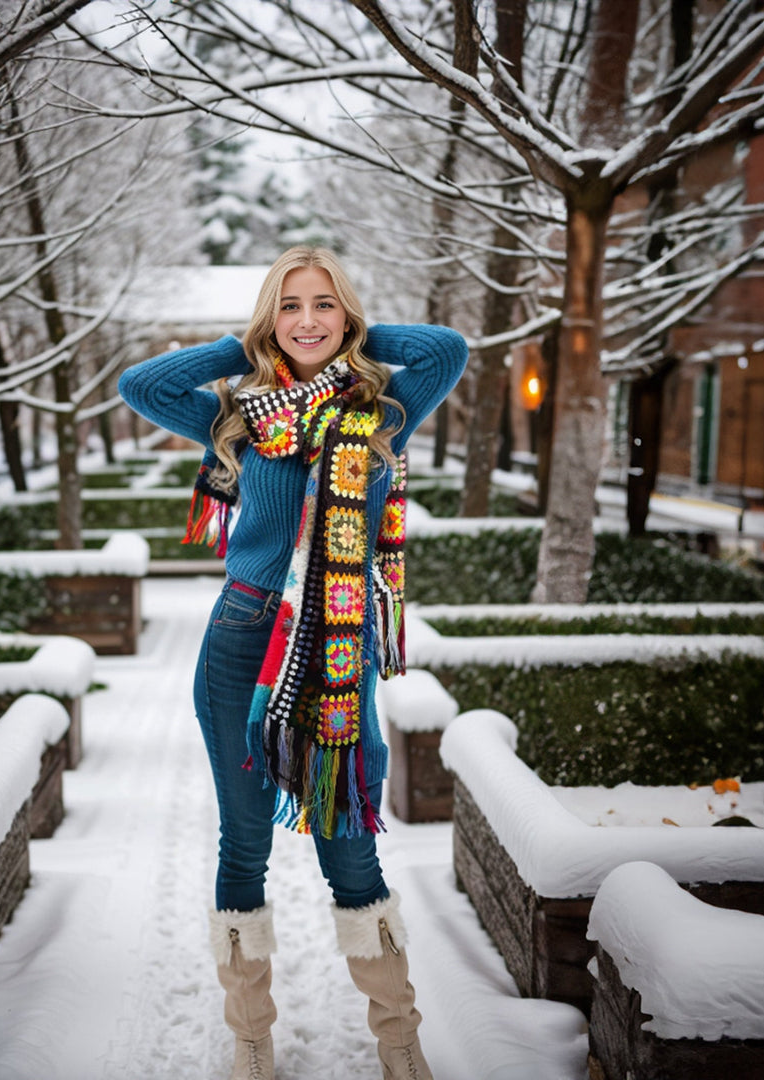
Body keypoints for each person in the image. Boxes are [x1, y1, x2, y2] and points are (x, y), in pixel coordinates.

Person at [119, 246, 468, 1080]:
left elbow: (446, 349)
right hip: (242, 640)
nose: (307, 320)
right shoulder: (241, 417)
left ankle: (399, 1039)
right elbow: (145, 385)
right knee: (243, 845)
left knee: (350, 845)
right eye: (290, 307)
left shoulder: (381, 410)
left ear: (345, 314)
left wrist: (352, 338)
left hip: (335, 654)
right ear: (268, 319)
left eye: (323, 306)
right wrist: (247, 350)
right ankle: (250, 1038)